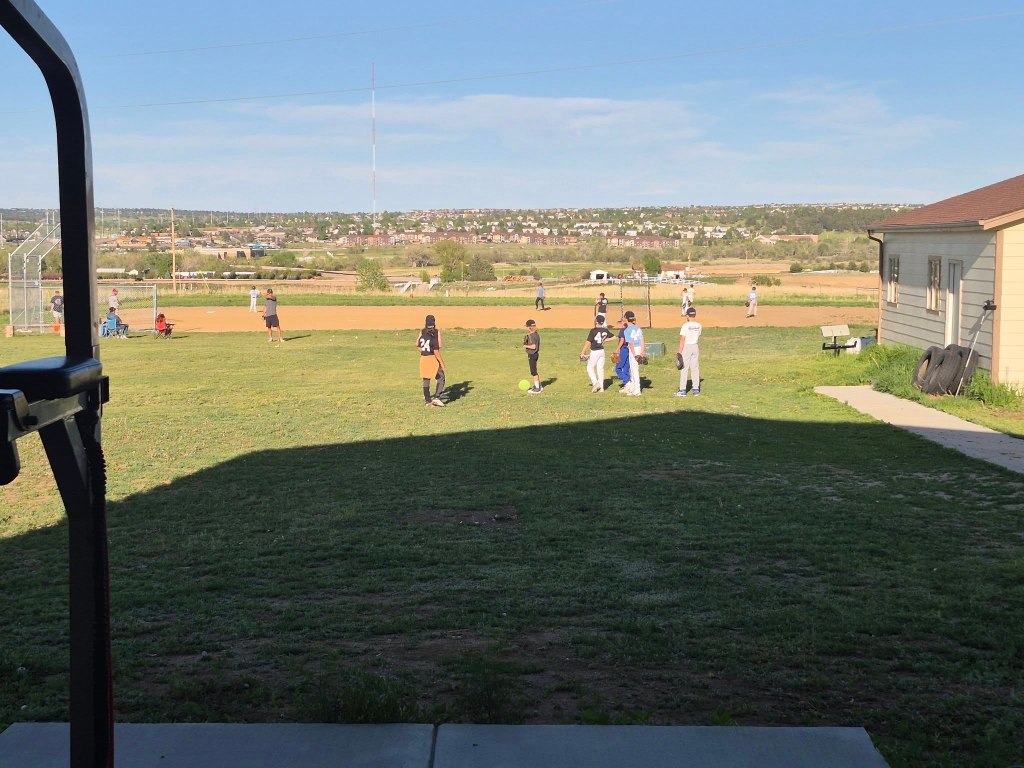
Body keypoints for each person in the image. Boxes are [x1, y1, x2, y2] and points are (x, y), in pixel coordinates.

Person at [417, 314, 447, 407]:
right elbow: (437, 348)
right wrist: (442, 363)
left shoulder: (422, 331)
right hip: (432, 358)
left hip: (423, 358)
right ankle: (437, 397)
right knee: (440, 377)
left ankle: (427, 401)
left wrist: (424, 351)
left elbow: (417, 345)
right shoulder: (435, 332)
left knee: (426, 379)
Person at [580, 314, 615, 393]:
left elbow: (588, 342)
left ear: (596, 321)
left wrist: (582, 351)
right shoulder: (605, 330)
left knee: (589, 368)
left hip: (595, 351)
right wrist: (606, 340)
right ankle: (602, 388)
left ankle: (595, 383)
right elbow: (614, 337)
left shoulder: (593, 331)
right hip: (602, 351)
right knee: (600, 369)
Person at [675, 306, 702, 397]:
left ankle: (682, 390)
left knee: (684, 368)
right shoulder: (699, 325)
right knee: (695, 368)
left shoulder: (685, 326)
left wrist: (679, 352)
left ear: (687, 316)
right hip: (695, 346)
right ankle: (696, 389)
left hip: (686, 347)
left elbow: (682, 339)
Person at [621, 310, 645, 396]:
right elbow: (642, 340)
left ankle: (637, 390)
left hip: (634, 349)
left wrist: (634, 354)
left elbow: (630, 343)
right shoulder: (638, 328)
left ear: (626, 319)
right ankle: (634, 388)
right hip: (639, 348)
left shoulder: (627, 330)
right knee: (633, 369)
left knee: (634, 370)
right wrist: (642, 352)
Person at [523, 319, 542, 393]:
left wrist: (525, 345)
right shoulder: (536, 334)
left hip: (532, 355)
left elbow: (533, 346)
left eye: (527, 327)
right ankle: (538, 385)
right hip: (536, 354)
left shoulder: (531, 336)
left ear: (529, 327)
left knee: (533, 372)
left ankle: (537, 389)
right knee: (535, 371)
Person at [613, 316, 631, 388]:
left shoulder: (622, 330)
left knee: (618, 368)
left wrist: (617, 349)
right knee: (626, 368)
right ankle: (628, 383)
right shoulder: (630, 329)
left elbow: (622, 340)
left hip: (623, 349)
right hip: (629, 349)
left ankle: (627, 381)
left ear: (623, 322)